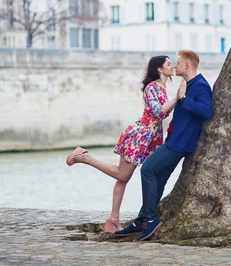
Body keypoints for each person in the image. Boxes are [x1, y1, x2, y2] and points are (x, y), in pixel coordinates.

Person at [65, 55, 180, 233]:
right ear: (159, 69)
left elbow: (162, 115)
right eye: (169, 64)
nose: (172, 66)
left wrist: (175, 100)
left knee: (123, 178)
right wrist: (177, 99)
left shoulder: (161, 88)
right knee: (122, 175)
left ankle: (114, 219)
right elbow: (157, 113)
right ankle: (84, 157)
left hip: (151, 138)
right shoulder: (152, 88)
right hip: (140, 136)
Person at [113, 49, 213, 241]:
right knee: (158, 179)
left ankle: (150, 218)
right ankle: (141, 220)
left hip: (181, 143)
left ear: (187, 65)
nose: (174, 66)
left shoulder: (200, 85)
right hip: (174, 139)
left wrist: (183, 98)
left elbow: (207, 112)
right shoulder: (187, 84)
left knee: (148, 169)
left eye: (177, 62)